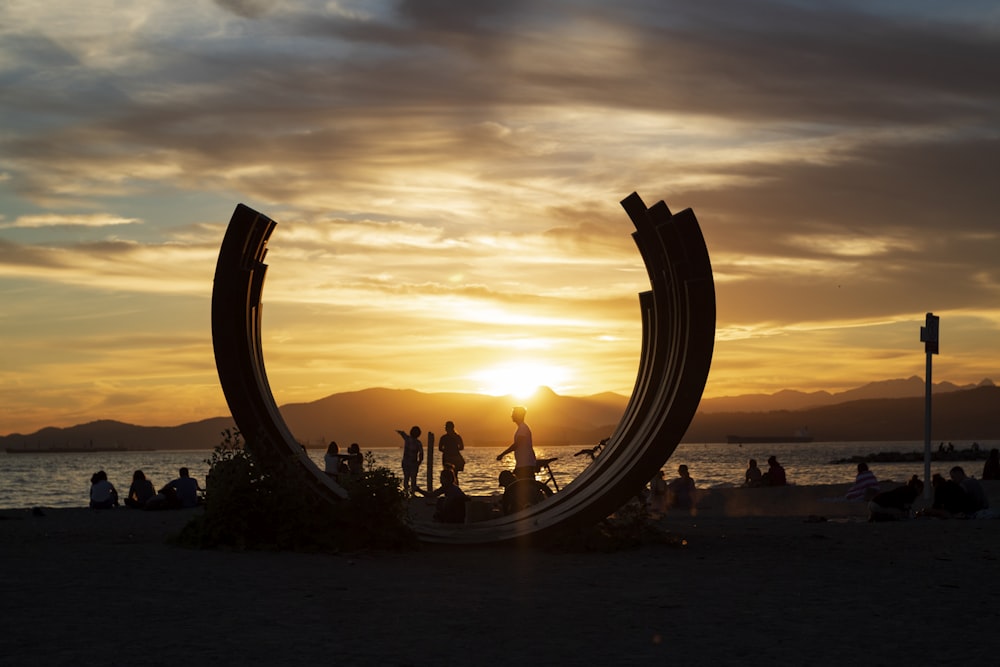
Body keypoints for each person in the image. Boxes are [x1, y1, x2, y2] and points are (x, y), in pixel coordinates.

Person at [496, 406, 537, 480]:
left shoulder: (523, 428)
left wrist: (502, 454)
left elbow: (516, 445)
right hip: (522, 463)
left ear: (518, 415)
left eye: (513, 413)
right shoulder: (521, 428)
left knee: (524, 485)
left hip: (525, 464)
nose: (511, 416)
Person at [397, 426, 424, 495]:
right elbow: (421, 453)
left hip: (407, 463)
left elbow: (403, 433)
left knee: (406, 478)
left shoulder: (408, 439)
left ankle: (406, 492)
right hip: (413, 463)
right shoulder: (418, 443)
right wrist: (419, 462)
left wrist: (399, 431)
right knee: (413, 479)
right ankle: (412, 493)